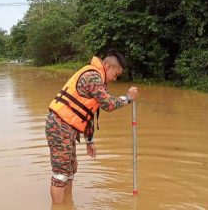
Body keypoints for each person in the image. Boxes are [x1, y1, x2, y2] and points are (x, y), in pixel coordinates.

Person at [45, 50, 139, 203]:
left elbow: (88, 113)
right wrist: (127, 98)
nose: (115, 79)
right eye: (116, 74)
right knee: (60, 175)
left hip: (67, 128)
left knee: (69, 171)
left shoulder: (98, 79)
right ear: (108, 67)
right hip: (59, 126)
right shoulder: (93, 76)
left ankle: (67, 204)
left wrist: (89, 141)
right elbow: (108, 104)